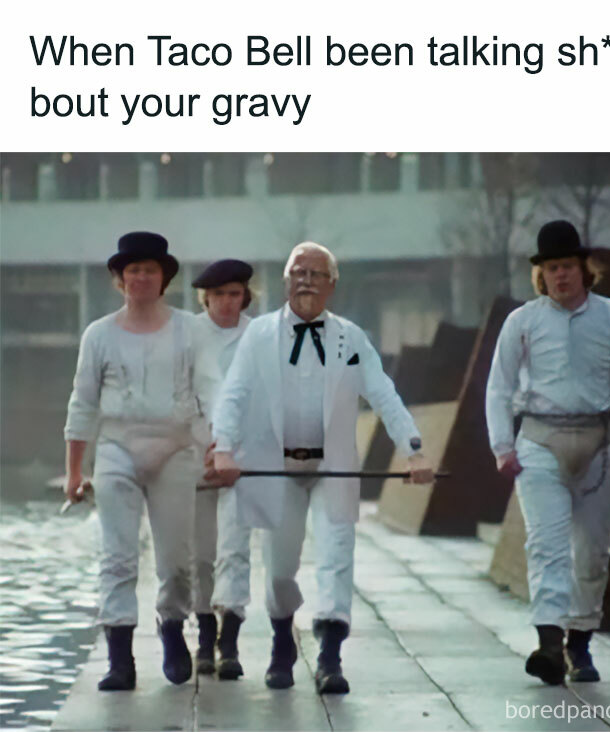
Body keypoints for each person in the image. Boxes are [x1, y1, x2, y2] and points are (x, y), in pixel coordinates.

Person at [211, 242, 434, 695]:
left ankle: (330, 655)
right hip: (276, 466)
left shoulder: (350, 339)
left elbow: (382, 393)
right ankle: (282, 640)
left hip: (334, 466)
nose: (306, 281)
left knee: (335, 555)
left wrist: (413, 450)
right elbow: (234, 393)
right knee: (279, 568)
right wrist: (224, 449)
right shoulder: (259, 336)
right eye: (299, 272)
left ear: (332, 285)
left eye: (316, 274)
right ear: (286, 280)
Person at [485, 220, 610, 685]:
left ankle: (579, 644)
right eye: (551, 268)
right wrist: (502, 445)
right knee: (546, 545)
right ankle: (548, 644)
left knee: (593, 552)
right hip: (540, 441)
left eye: (567, 266)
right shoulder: (522, 322)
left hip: (601, 442)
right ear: (541, 274)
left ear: (584, 269)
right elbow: (498, 386)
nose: (560, 275)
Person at [64, 232, 204, 690]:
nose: (140, 277)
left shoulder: (190, 330)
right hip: (117, 449)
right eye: (132, 270)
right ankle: (119, 658)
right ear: (120, 279)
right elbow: (83, 403)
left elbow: (212, 392)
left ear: (164, 278)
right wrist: (74, 470)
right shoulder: (99, 334)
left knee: (176, 559)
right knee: (118, 557)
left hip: (175, 449)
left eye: (149, 269)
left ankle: (172, 627)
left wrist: (216, 447)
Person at [189, 259, 254, 679]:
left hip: (244, 454)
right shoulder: (187, 334)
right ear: (206, 298)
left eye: (234, 294)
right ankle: (203, 635)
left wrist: (234, 447)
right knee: (200, 553)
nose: (227, 302)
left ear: (245, 296)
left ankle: (229, 640)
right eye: (218, 295)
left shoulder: (258, 336)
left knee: (235, 547)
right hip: (195, 450)